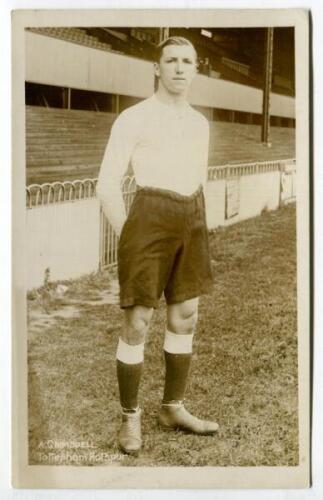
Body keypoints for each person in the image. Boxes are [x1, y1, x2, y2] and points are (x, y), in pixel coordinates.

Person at [96, 36, 219, 456]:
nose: (180, 69)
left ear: (196, 69)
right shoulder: (134, 118)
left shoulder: (200, 123)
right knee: (138, 322)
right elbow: (106, 185)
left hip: (191, 216)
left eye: (188, 61)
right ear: (157, 67)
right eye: (172, 61)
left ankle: (172, 408)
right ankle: (130, 417)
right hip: (148, 219)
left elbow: (196, 177)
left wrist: (196, 221)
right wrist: (129, 232)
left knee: (185, 316)